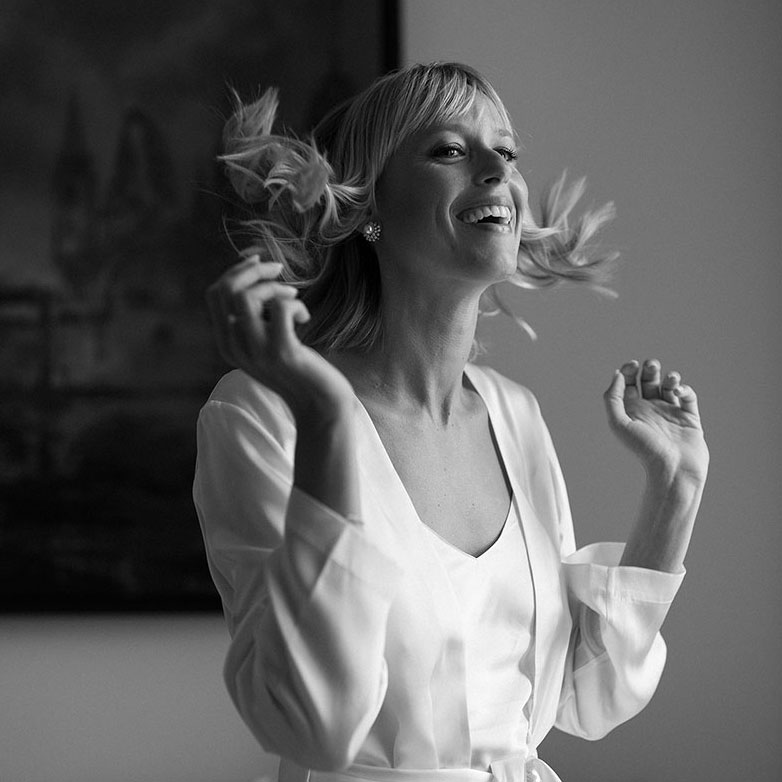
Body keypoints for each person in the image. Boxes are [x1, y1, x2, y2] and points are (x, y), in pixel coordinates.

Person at [193, 62, 709, 782]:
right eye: (449, 149)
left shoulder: (515, 415)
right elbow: (315, 726)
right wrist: (327, 420)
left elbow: (582, 697)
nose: (498, 169)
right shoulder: (263, 414)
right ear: (367, 206)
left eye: (508, 150)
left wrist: (675, 489)